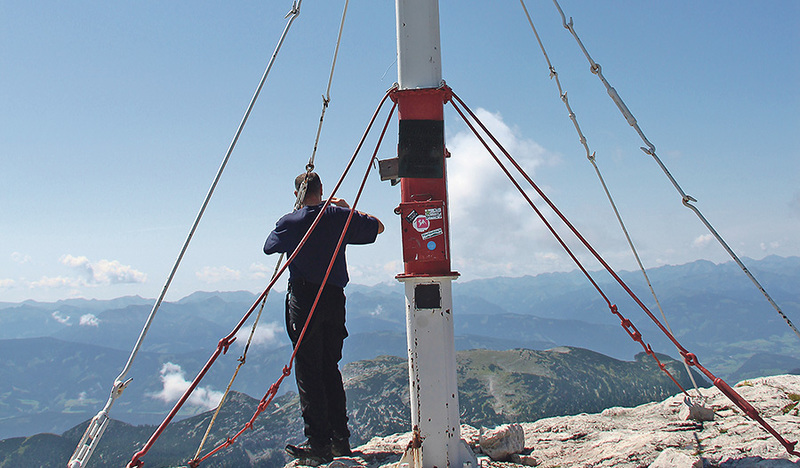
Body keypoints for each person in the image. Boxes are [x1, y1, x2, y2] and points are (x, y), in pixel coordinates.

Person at [263, 172, 384, 463]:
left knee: (309, 371)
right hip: (333, 299)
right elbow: (378, 227)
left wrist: (298, 215)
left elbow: (269, 246)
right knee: (330, 367)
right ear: (322, 190)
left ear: (297, 193)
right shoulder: (337, 216)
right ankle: (340, 441)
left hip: (305, 300)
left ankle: (317, 445)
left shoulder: (291, 222)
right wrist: (345, 208)